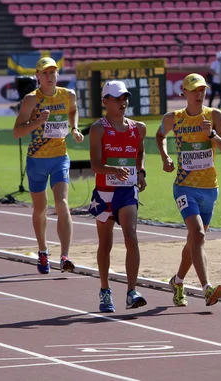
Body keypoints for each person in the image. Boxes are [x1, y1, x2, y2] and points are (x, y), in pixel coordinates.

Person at [155, 73, 221, 307]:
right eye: (194, 90)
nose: (199, 94)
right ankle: (207, 288)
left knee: (194, 241)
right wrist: (165, 157)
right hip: (184, 187)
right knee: (198, 235)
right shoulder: (173, 118)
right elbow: (160, 136)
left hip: (210, 189)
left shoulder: (214, 115)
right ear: (184, 93)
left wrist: (212, 135)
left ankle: (178, 282)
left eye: (202, 90)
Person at [12, 57, 84, 275]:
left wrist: (74, 128)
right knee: (40, 208)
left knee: (62, 202)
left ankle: (65, 256)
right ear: (38, 76)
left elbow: (73, 110)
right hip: (36, 161)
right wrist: (37, 122)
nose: (49, 77)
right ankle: (43, 251)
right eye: (45, 73)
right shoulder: (31, 100)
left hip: (60, 157)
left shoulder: (67, 95)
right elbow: (17, 132)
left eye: (53, 72)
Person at [88, 80, 148, 313]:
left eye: (125, 98)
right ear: (105, 101)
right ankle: (105, 290)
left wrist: (140, 172)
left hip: (127, 191)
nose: (123, 102)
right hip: (104, 192)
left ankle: (132, 292)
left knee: (131, 237)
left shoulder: (138, 128)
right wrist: (113, 171)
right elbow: (95, 164)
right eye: (117, 98)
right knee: (106, 244)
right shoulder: (98, 129)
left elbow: (140, 152)